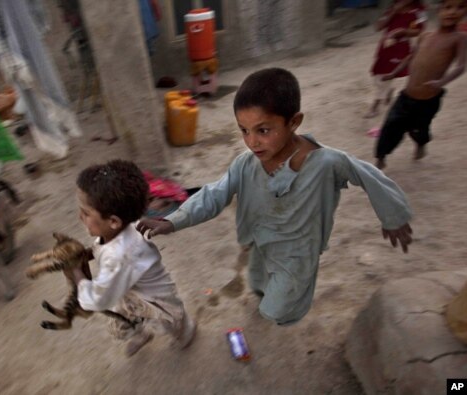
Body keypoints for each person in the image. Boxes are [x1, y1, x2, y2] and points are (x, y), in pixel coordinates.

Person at [137, 68, 413, 327]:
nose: (252, 141)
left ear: (294, 122)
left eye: (263, 130)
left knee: (279, 309)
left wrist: (393, 216)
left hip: (297, 252)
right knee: (258, 281)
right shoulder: (246, 164)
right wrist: (172, 221)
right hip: (259, 240)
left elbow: (370, 177)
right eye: (244, 130)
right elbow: (213, 194)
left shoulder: (326, 162)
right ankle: (262, 293)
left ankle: (280, 312)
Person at [72, 160, 197, 357]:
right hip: (128, 292)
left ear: (113, 221)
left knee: (171, 322)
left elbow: (97, 300)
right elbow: (104, 247)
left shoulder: (121, 255)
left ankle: (185, 332)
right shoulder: (120, 227)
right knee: (124, 320)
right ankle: (143, 334)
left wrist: (77, 273)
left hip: (155, 299)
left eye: (86, 213)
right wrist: (90, 252)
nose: (80, 217)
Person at [375, 0, 467, 169]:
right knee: (391, 125)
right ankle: (380, 158)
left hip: (428, 99)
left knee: (419, 129)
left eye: (460, 7)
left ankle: (420, 144)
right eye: (448, 7)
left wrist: (442, 82)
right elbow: (410, 57)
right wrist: (394, 73)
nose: (453, 12)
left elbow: (461, 66)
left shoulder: (459, 38)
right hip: (407, 95)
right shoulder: (426, 35)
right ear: (439, 11)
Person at [365, 0, 427, 118]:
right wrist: (394, 11)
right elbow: (379, 26)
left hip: (401, 49)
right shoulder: (394, 7)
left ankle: (375, 107)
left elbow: (419, 30)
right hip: (386, 48)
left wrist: (403, 32)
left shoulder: (419, 11)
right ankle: (388, 91)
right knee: (377, 75)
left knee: (386, 77)